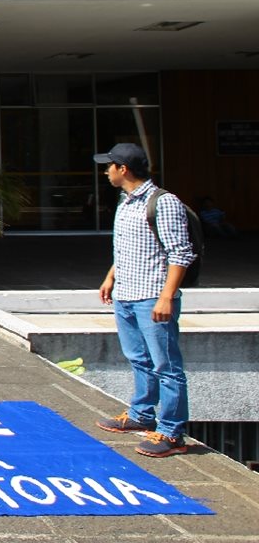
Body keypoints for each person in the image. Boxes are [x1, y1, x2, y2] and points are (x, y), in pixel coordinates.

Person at [92, 142, 195, 458]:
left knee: (167, 365)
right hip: (125, 294)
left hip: (152, 297)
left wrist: (166, 298)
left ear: (123, 169)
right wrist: (111, 277)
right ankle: (141, 414)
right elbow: (127, 247)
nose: (106, 171)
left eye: (109, 166)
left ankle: (171, 432)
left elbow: (180, 253)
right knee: (139, 358)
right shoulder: (125, 202)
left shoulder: (163, 203)